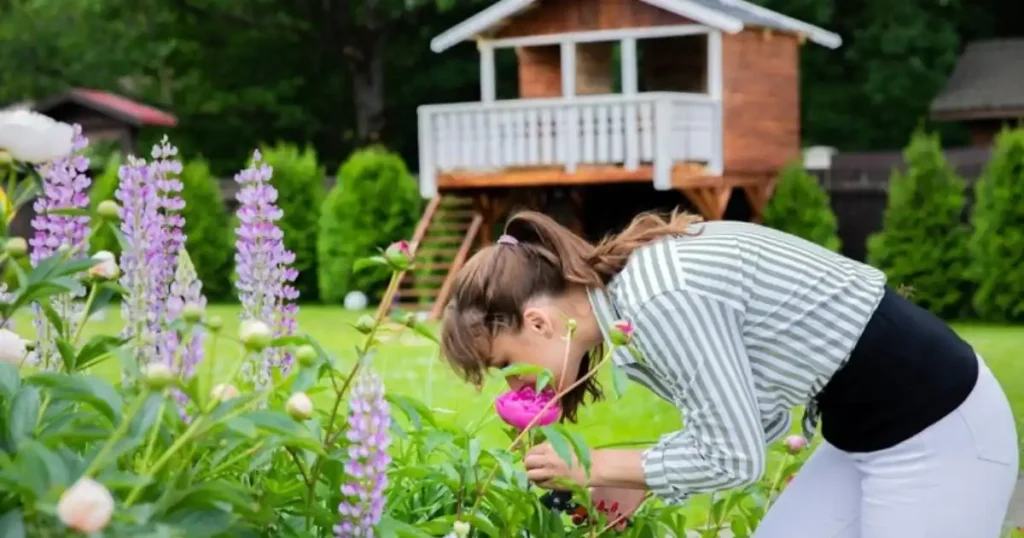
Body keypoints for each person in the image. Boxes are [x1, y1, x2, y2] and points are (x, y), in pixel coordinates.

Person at [438, 209, 1019, 537]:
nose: (512, 384)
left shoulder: (659, 299)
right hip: (863, 437)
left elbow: (737, 459)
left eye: (504, 364)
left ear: (538, 322)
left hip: (940, 431)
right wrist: (631, 481)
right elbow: (755, 418)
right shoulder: (629, 316)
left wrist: (591, 467)